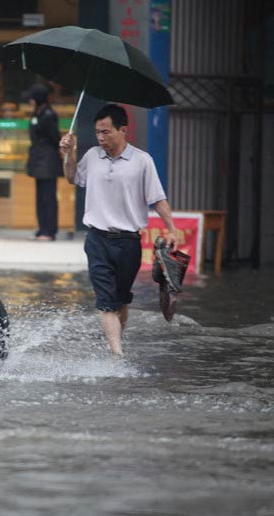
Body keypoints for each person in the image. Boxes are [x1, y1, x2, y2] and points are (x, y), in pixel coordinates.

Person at [59, 103, 178, 357]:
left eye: (106, 132)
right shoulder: (92, 156)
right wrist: (68, 155)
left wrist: (172, 229)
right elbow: (72, 178)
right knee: (105, 302)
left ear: (123, 130)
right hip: (97, 240)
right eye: (97, 132)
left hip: (128, 243)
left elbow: (158, 198)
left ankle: (115, 342)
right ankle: (117, 355)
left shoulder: (142, 161)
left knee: (121, 299)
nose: (101, 137)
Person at [24, 83, 63, 241]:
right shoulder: (38, 113)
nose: (30, 101)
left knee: (48, 196)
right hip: (39, 162)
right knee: (41, 197)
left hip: (47, 162)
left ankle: (49, 230)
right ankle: (42, 228)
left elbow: (56, 139)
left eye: (33, 98)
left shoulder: (48, 115)